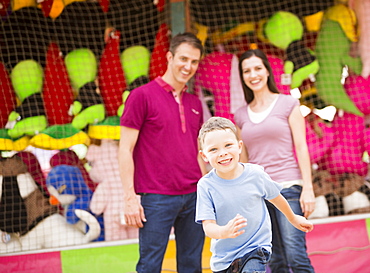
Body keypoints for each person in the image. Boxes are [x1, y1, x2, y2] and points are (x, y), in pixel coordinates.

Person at [118, 32, 207, 273]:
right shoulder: (141, 96)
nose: (188, 66)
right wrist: (130, 198)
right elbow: (125, 149)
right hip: (155, 198)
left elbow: (199, 153)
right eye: (183, 59)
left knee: (192, 265)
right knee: (149, 267)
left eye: (194, 61)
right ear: (169, 57)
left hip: (194, 197)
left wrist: (208, 192)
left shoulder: (195, 103)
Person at [196, 116, 313, 273]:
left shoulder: (255, 174)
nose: (222, 153)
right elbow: (208, 226)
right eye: (213, 149)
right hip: (224, 258)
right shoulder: (205, 185)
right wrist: (223, 232)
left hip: (255, 248)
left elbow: (276, 198)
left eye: (228, 145)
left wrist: (293, 218)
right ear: (204, 156)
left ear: (239, 146)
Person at [234, 48, 316, 273]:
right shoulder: (240, 115)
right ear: (242, 76)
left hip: (289, 189)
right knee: (274, 260)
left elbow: (301, 147)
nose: (253, 75)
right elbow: (244, 160)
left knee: (295, 256)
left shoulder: (288, 104)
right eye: (247, 71)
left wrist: (307, 188)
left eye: (258, 68)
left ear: (267, 71)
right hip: (258, 195)